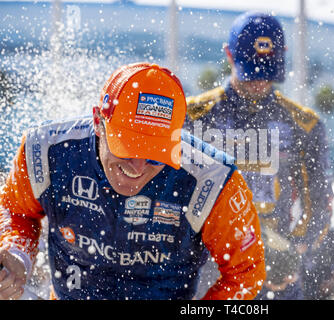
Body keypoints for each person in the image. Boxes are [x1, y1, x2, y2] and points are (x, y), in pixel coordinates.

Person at [0, 62, 266, 300]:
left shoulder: (212, 180)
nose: (138, 168)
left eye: (154, 156)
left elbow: (246, 273)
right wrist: (17, 254)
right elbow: (16, 209)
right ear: (98, 122)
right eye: (127, 149)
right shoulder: (46, 150)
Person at [185, 11, 333, 299]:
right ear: (229, 55)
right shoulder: (192, 117)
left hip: (276, 262)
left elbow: (320, 198)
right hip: (208, 261)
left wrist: (295, 249)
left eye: (268, 71)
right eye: (251, 71)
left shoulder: (305, 124)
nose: (259, 82)